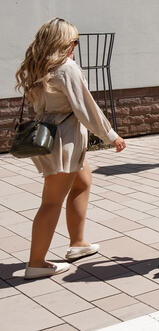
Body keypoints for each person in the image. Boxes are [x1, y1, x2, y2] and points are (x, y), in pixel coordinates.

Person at [15, 18, 127, 279]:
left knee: (82, 182)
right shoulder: (66, 68)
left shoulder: (39, 67)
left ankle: (77, 244)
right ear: (63, 42)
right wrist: (111, 136)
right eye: (74, 41)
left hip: (52, 138)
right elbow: (86, 107)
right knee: (51, 201)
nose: (76, 46)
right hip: (63, 142)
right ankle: (36, 263)